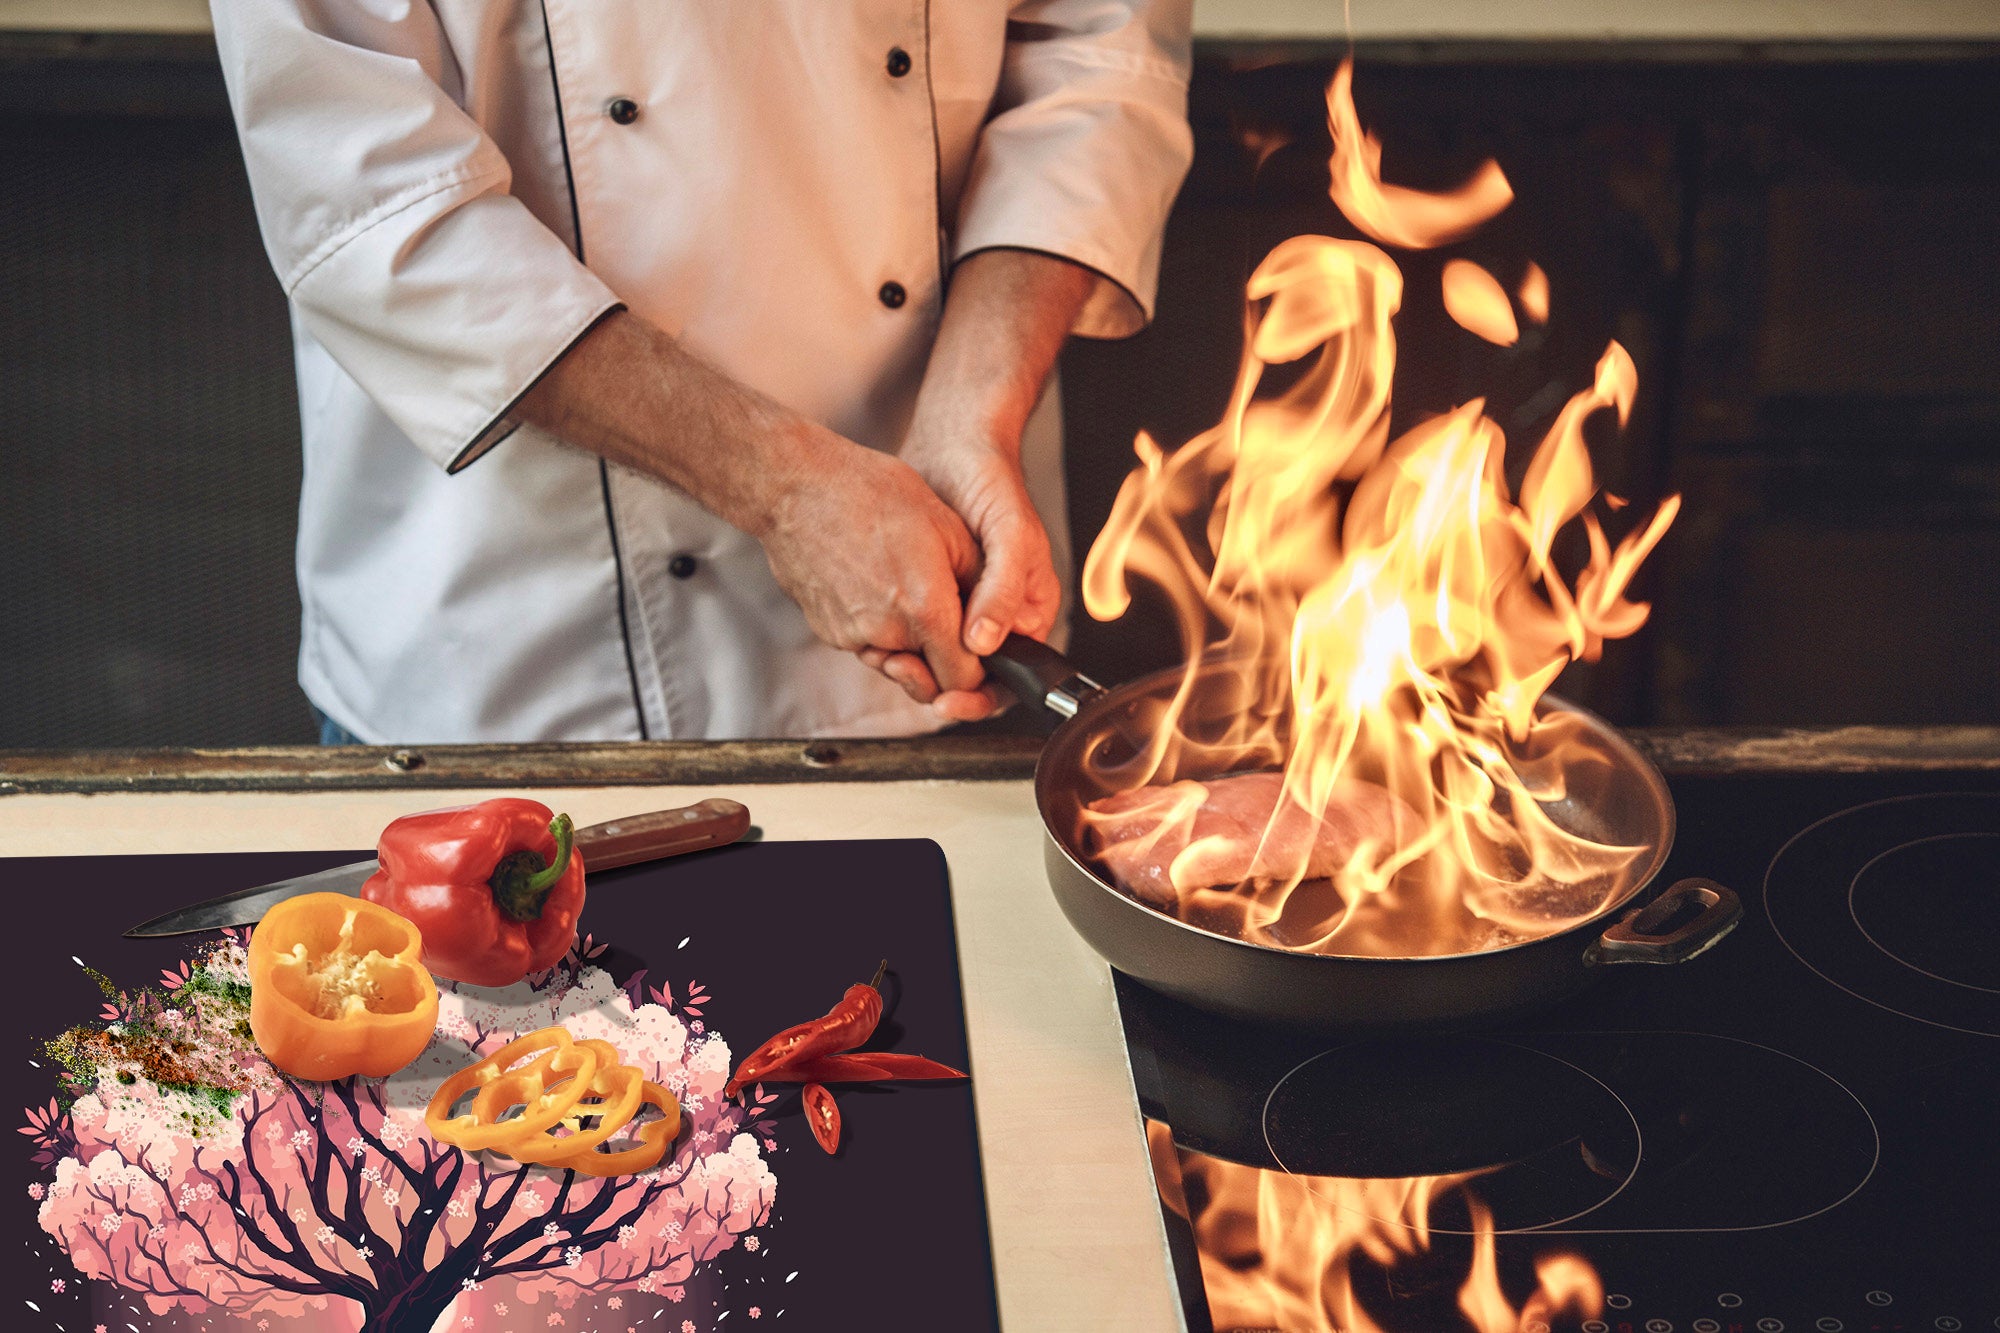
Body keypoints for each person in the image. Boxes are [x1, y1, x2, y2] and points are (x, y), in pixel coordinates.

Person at [210, 1, 1193, 742]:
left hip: (948, 581)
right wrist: (785, 491)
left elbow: (1098, 59)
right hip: (522, 645)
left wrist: (973, 415)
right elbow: (372, 197)